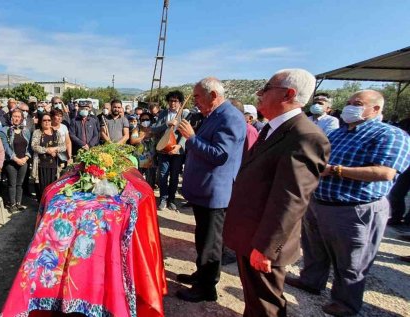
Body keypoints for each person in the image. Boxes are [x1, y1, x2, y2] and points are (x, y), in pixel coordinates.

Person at [286, 89, 410, 316]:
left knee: (352, 259)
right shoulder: (339, 133)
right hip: (320, 201)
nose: (352, 106)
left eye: (358, 103)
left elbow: (385, 173)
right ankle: (311, 281)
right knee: (314, 248)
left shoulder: (390, 135)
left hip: (355, 208)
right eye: (350, 102)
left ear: (376, 109)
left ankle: (345, 303)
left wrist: (336, 171)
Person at [223, 69, 330, 317]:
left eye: (267, 88)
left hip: (264, 241)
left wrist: (267, 248)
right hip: (251, 233)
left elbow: (291, 199)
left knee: (265, 304)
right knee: (255, 298)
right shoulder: (274, 128)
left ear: (289, 94)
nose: (259, 93)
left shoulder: (306, 136)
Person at [174, 77, 247, 302]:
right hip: (204, 191)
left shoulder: (230, 117)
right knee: (203, 238)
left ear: (213, 95)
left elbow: (219, 155)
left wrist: (192, 139)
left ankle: (207, 288)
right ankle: (201, 275)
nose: (194, 101)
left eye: (197, 96)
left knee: (211, 244)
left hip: (215, 193)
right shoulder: (214, 115)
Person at [151, 90, 190, 211]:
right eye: (171, 100)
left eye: (176, 101)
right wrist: (166, 124)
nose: (173, 103)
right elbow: (154, 129)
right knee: (162, 175)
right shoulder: (163, 113)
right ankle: (163, 198)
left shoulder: (184, 114)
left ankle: (171, 199)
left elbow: (185, 133)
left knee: (174, 176)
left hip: (177, 151)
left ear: (180, 102)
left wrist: (179, 146)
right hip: (163, 150)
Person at [0, 109, 32, 212]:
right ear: (10, 117)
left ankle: (19, 203)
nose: (16, 118)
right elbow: (5, 147)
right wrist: (16, 159)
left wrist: (26, 157)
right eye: (14, 116)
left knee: (20, 183)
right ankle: (12, 204)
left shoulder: (26, 131)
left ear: (21, 118)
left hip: (23, 160)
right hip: (11, 161)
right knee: (12, 183)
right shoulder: (4, 130)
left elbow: (29, 146)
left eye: (18, 116)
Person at [31, 113, 66, 201]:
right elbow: (34, 146)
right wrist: (47, 150)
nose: (47, 122)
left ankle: (49, 207)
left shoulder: (56, 133)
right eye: (44, 120)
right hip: (41, 165)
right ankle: (41, 207)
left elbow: (63, 147)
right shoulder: (37, 132)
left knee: (52, 187)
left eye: (49, 120)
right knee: (41, 187)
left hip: (53, 165)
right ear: (41, 122)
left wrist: (54, 149)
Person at [130, 112, 155, 182]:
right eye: (143, 120)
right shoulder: (137, 129)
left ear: (150, 120)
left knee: (150, 181)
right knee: (138, 180)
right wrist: (144, 136)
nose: (145, 121)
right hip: (139, 159)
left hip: (151, 160)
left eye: (147, 119)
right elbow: (133, 141)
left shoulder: (154, 129)